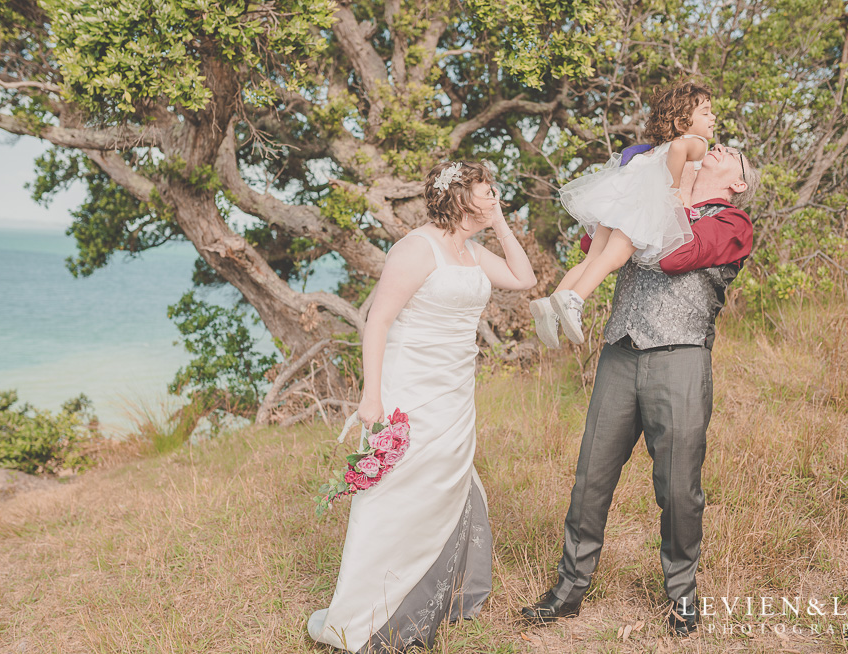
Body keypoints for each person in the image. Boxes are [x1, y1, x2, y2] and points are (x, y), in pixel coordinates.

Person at [519, 143, 760, 636]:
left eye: (729, 152)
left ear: (737, 181)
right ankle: (568, 590)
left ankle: (682, 597)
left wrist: (652, 205)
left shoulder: (733, 222)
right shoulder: (652, 200)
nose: (717, 147)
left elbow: (675, 255)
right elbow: (594, 246)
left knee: (677, 487)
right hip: (619, 352)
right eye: (715, 142)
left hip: (681, 357)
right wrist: (642, 175)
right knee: (591, 478)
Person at [308, 161, 537, 653]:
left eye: (495, 191)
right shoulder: (416, 247)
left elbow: (524, 278)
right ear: (457, 196)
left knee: (446, 483)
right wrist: (372, 395)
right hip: (411, 387)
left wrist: (500, 223)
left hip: (456, 388)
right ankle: (367, 612)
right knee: (402, 491)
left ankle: (428, 598)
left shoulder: (473, 252)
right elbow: (378, 321)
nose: (494, 196)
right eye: (486, 191)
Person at [529, 80, 715, 346]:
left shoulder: (656, 149)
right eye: (706, 112)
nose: (713, 117)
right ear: (682, 123)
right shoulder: (695, 143)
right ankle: (574, 301)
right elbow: (678, 152)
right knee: (612, 258)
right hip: (642, 204)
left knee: (591, 259)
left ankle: (551, 305)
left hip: (618, 198)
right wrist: (672, 191)